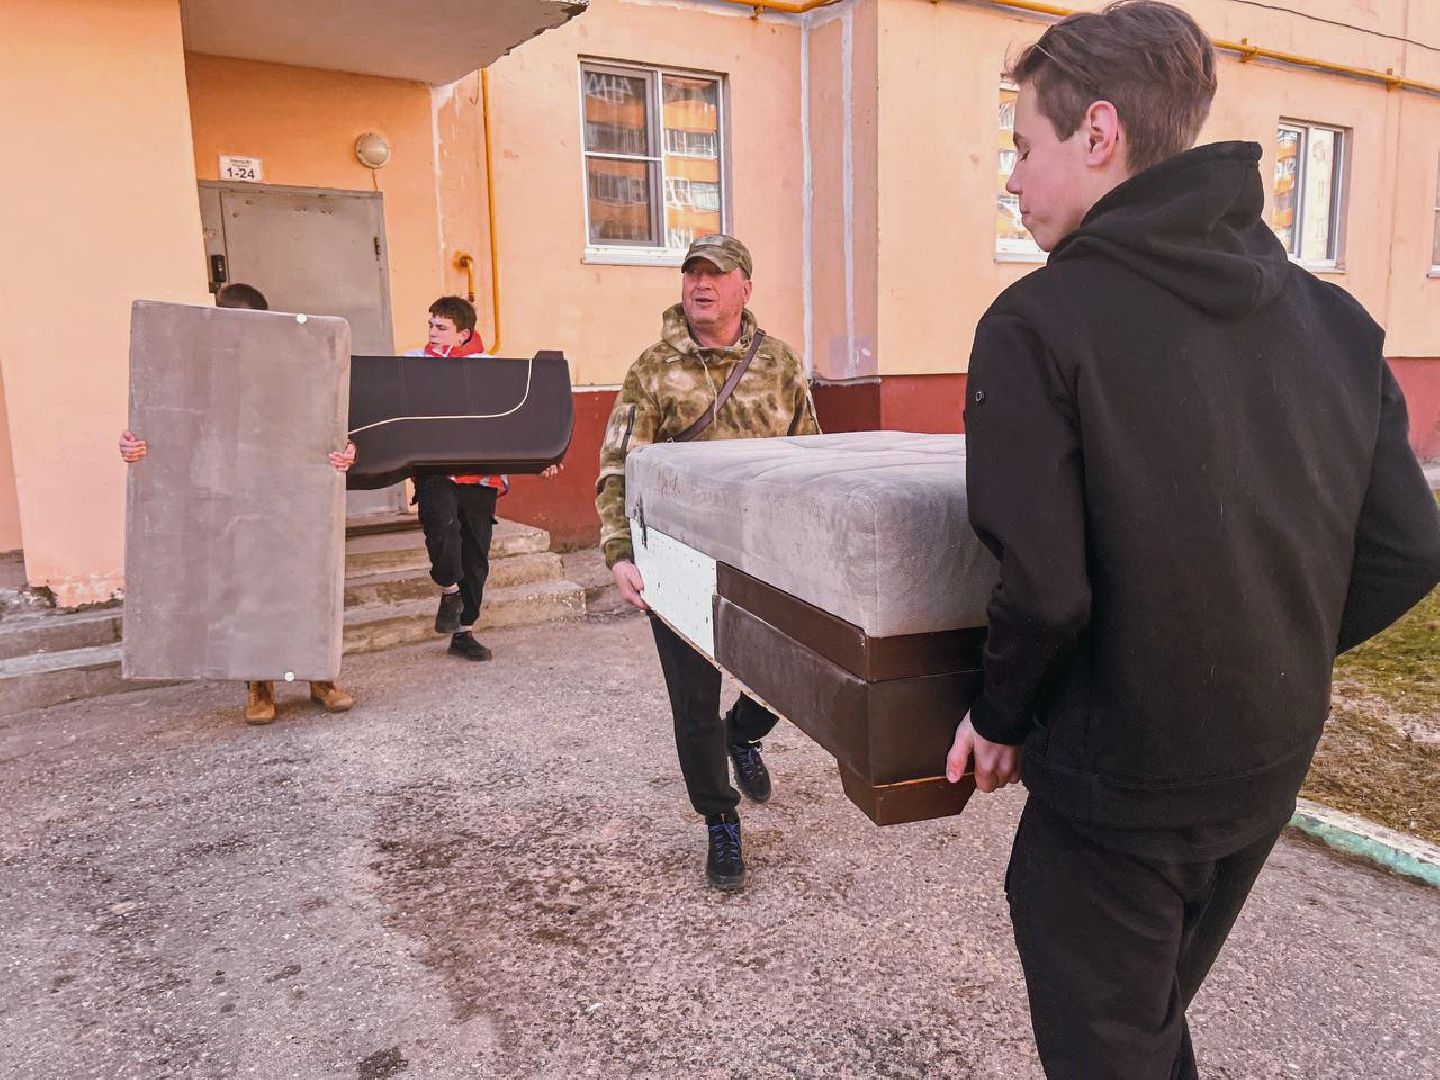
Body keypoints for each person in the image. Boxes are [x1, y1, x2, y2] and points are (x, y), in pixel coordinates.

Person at [942, 4, 1440, 1076]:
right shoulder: (1337, 321)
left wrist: (997, 711)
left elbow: (1046, 590)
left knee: (1112, 1043)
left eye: (1023, 146)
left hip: (1120, 784)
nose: (1013, 179)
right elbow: (1405, 545)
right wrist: (1271, 643)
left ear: (1100, 134)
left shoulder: (1038, 322)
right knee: (1150, 1011)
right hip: (1265, 761)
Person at [596, 234, 821, 890]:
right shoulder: (652, 367)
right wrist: (619, 552)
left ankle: (745, 731)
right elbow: (619, 461)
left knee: (790, 670)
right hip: (676, 554)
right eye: (692, 273)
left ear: (744, 288)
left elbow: (809, 456)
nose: (701, 284)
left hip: (763, 554)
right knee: (693, 699)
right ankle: (719, 819)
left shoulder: (779, 363)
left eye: (716, 274)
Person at [119, 282, 358, 724]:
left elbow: (333, 423)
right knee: (248, 583)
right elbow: (170, 422)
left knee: (305, 579)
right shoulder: (200, 368)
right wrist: (138, 448)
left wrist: (344, 452)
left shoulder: (298, 361)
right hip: (231, 493)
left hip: (293, 494)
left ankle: (320, 678)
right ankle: (258, 686)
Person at [405, 295, 562, 661]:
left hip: (481, 478)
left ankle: (464, 632)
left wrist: (544, 458)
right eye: (430, 325)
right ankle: (448, 589)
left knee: (476, 558)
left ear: (463, 334)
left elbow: (516, 420)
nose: (432, 333)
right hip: (437, 472)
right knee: (442, 530)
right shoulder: (413, 364)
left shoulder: (491, 371)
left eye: (440, 327)